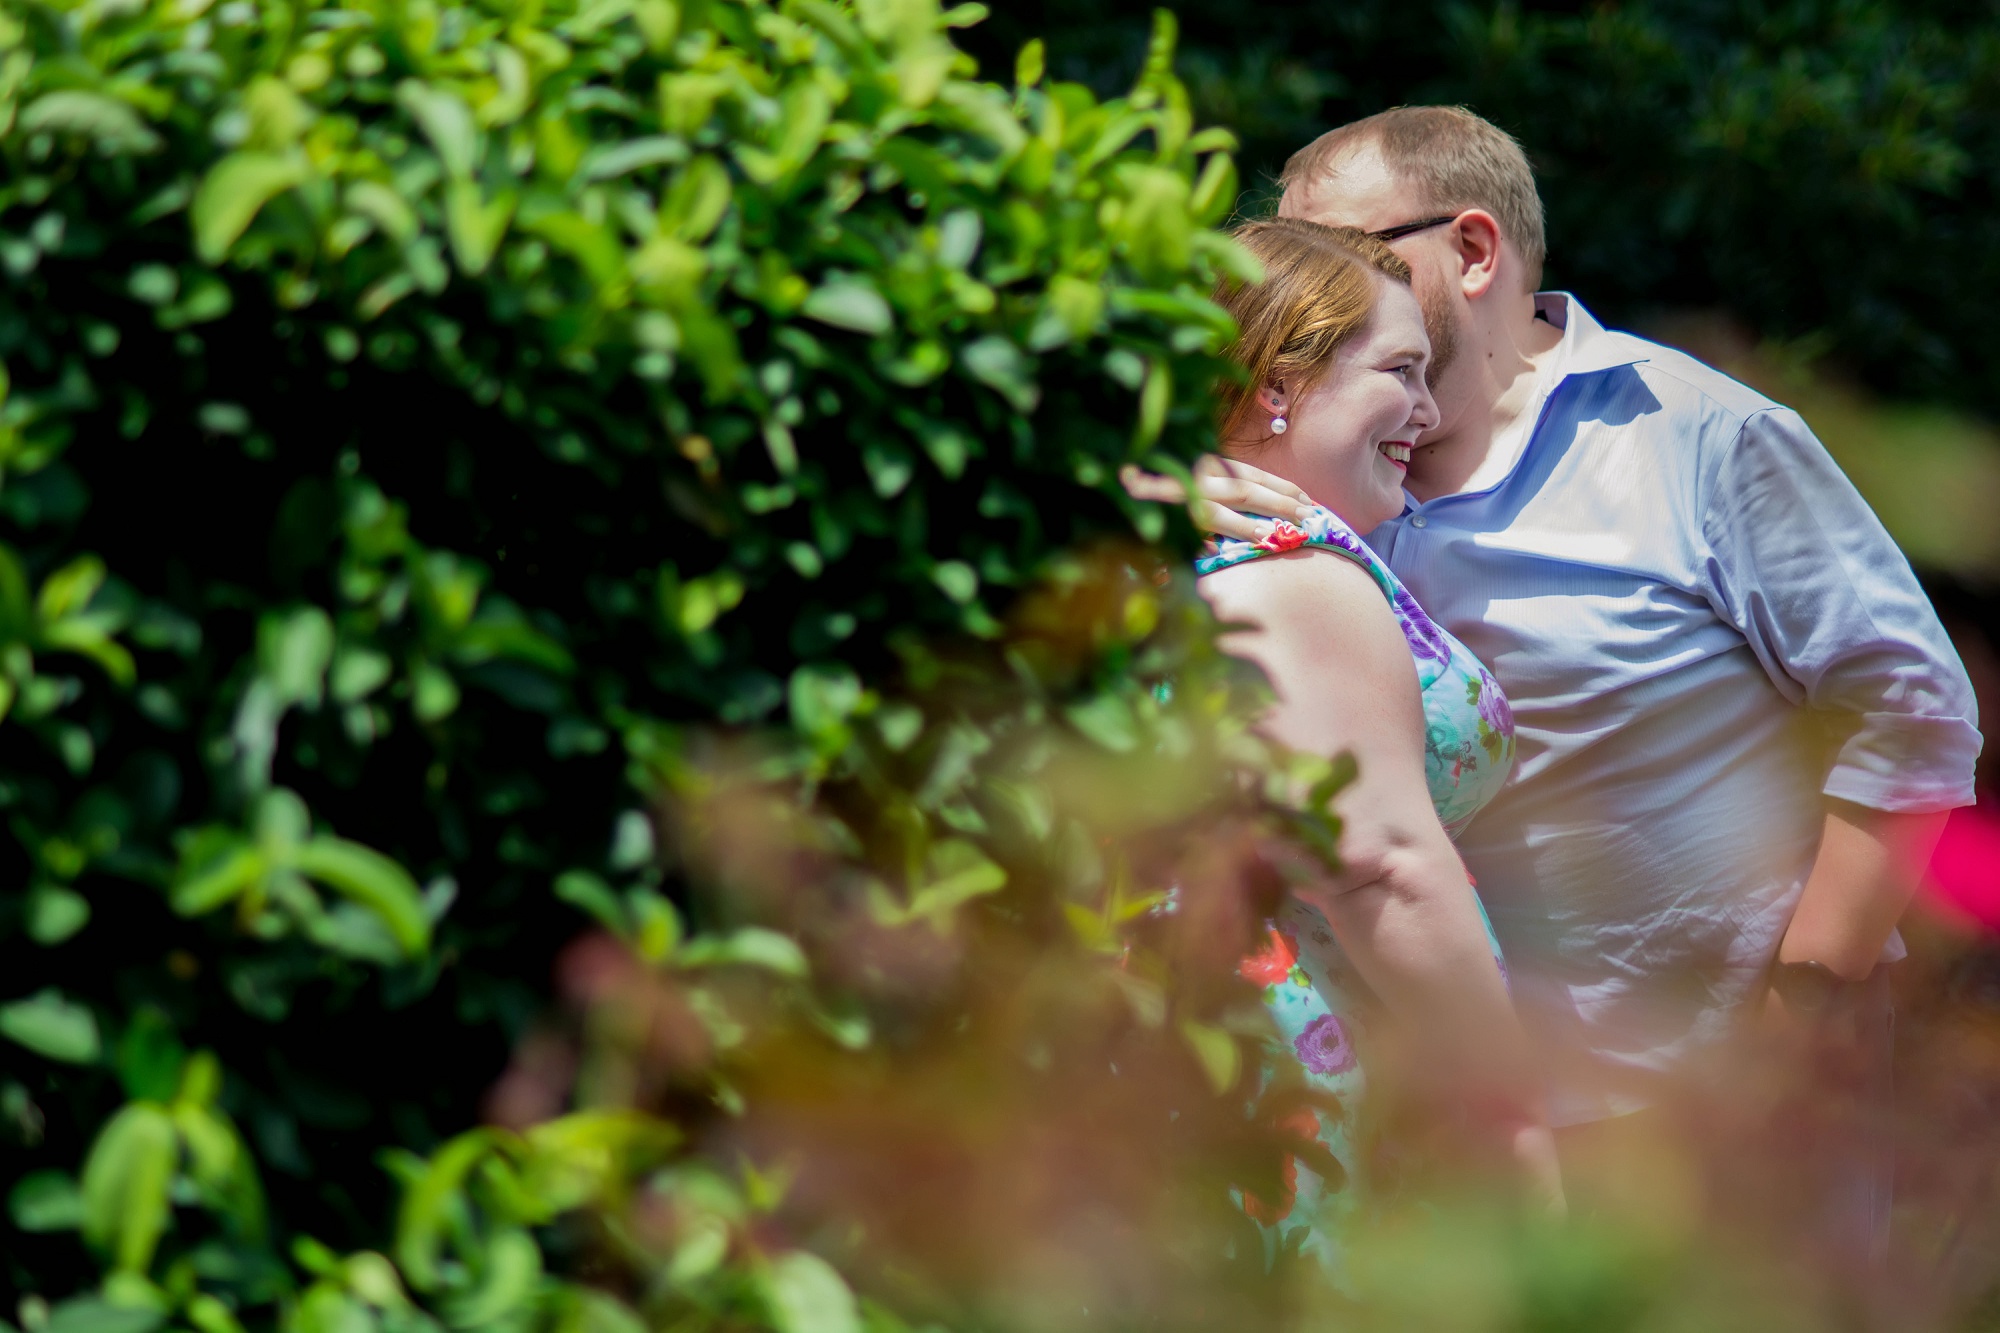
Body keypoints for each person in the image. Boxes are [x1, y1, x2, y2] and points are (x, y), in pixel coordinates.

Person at [1141, 105, 1981, 1248]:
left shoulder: (1694, 436)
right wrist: (1167, 480)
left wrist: (1800, 1002)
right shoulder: (1294, 473)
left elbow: (1910, 711)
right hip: (1434, 1096)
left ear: (1474, 249)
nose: (1314, 285)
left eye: (1353, 252)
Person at [1194, 217, 1563, 1272]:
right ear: (1276, 383)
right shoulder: (1285, 571)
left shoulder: (1150, 537)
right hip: (1312, 1110)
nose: (1429, 412)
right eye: (1400, 370)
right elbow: (1381, 869)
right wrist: (1512, 1123)